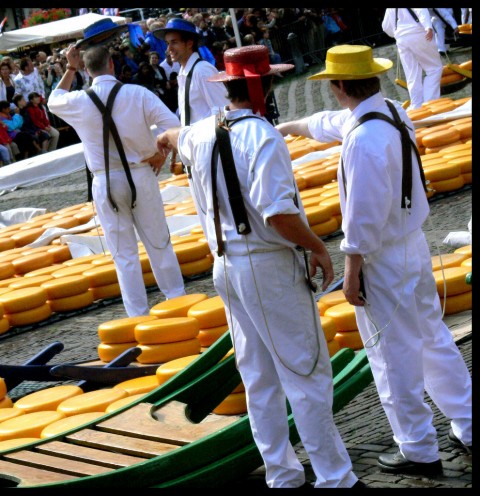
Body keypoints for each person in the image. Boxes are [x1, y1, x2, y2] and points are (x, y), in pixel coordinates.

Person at [156, 44, 366, 490]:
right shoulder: (263, 136)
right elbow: (278, 215)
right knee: (306, 371)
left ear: (227, 87)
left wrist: (164, 139)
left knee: (259, 377)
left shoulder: (201, 132)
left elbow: (176, 136)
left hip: (225, 267)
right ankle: (336, 478)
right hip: (268, 266)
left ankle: (282, 475)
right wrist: (318, 247)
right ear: (263, 86)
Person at [276, 44, 472, 476]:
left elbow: (361, 218)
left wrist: (351, 271)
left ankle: (418, 449)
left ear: (340, 85)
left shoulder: (363, 141)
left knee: (390, 355)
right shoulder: (388, 111)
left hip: (381, 258)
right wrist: (290, 126)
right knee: (433, 338)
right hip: (413, 245)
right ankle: (469, 424)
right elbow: (330, 125)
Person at [47, 19, 186, 318]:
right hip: (140, 173)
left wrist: (69, 69)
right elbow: (174, 126)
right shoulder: (137, 93)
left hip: (105, 181)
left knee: (124, 254)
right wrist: (160, 152)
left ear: (87, 71)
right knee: (159, 242)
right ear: (111, 65)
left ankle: (138, 315)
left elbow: (52, 101)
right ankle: (177, 300)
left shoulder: (77, 101)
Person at [153, 18, 229, 228]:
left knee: (219, 218)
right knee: (207, 218)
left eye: (174, 42)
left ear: (189, 43)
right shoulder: (184, 73)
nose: (169, 48)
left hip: (212, 156)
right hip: (196, 157)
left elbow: (223, 113)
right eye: (168, 43)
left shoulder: (202, 70)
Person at [382, 8, 443, 110]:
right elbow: (421, 10)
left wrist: (398, 32)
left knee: (412, 74)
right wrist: (428, 26)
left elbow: (386, 27)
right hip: (418, 33)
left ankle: (416, 105)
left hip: (401, 39)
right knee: (434, 69)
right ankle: (429, 102)